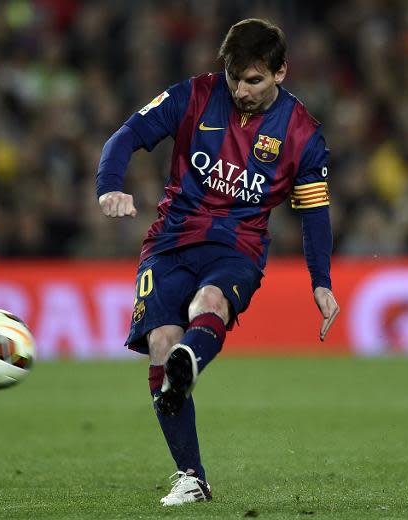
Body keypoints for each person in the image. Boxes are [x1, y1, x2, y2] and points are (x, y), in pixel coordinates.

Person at [96, 18, 339, 506]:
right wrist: (110, 186)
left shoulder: (302, 134)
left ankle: (190, 360)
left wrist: (321, 281)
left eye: (254, 80)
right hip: (169, 241)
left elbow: (314, 212)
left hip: (238, 248)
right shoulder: (195, 95)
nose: (242, 90)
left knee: (209, 302)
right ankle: (192, 477)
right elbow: (125, 136)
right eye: (235, 78)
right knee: (162, 341)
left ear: (281, 73)